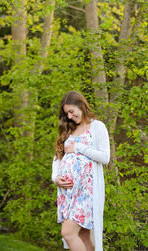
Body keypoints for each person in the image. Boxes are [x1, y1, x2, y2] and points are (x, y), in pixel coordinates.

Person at [52, 91, 110, 251]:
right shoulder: (68, 130)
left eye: (71, 111)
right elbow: (57, 159)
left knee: (68, 232)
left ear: (81, 105)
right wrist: (56, 177)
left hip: (87, 193)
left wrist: (79, 147)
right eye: (66, 114)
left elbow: (105, 157)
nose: (69, 116)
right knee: (83, 237)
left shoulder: (97, 127)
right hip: (70, 194)